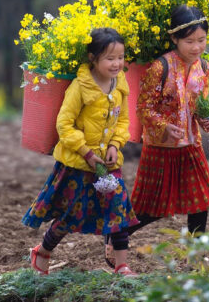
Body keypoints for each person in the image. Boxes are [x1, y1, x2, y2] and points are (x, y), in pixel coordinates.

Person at [104, 5, 209, 267]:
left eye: (201, 40)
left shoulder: (205, 67)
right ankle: (116, 234)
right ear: (174, 39)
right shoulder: (160, 67)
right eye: (189, 41)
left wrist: (207, 121)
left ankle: (195, 258)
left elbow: (199, 104)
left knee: (199, 201)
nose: (197, 47)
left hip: (191, 144)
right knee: (152, 209)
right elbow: (143, 107)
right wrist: (164, 125)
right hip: (161, 148)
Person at [23, 27, 139, 276]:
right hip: (78, 162)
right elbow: (64, 124)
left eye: (120, 57)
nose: (117, 63)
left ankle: (122, 265)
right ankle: (42, 252)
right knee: (71, 214)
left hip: (109, 163)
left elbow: (123, 121)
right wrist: (87, 152)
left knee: (117, 208)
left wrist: (114, 145)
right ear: (92, 58)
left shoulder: (121, 83)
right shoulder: (80, 86)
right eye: (110, 58)